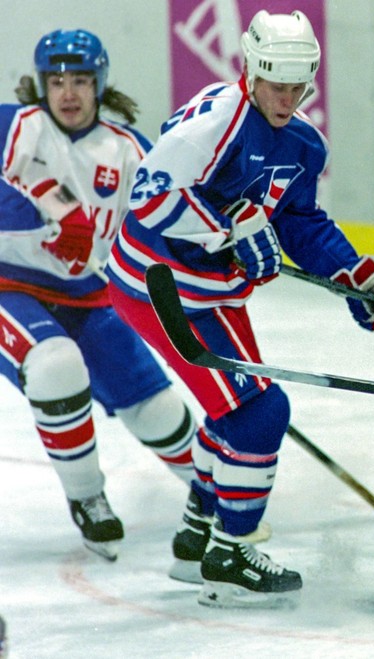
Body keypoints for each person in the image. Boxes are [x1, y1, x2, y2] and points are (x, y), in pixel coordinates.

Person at [106, 10, 374, 609]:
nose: (287, 97)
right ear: (251, 70)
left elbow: (300, 222)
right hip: (159, 288)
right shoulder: (217, 123)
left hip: (212, 294)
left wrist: (357, 275)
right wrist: (226, 229)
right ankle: (230, 552)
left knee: (238, 412)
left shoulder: (304, 142)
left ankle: (197, 540)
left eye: (298, 86)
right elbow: (149, 198)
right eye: (277, 84)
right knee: (259, 413)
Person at [0, 29, 198, 561]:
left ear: (100, 83)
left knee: (155, 407)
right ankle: (88, 498)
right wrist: (46, 225)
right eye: (57, 80)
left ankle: (217, 492)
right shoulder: (11, 126)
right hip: (10, 286)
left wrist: (209, 252)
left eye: (81, 80)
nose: (68, 92)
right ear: (42, 84)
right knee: (55, 365)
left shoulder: (130, 150)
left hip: (92, 295)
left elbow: (167, 224)